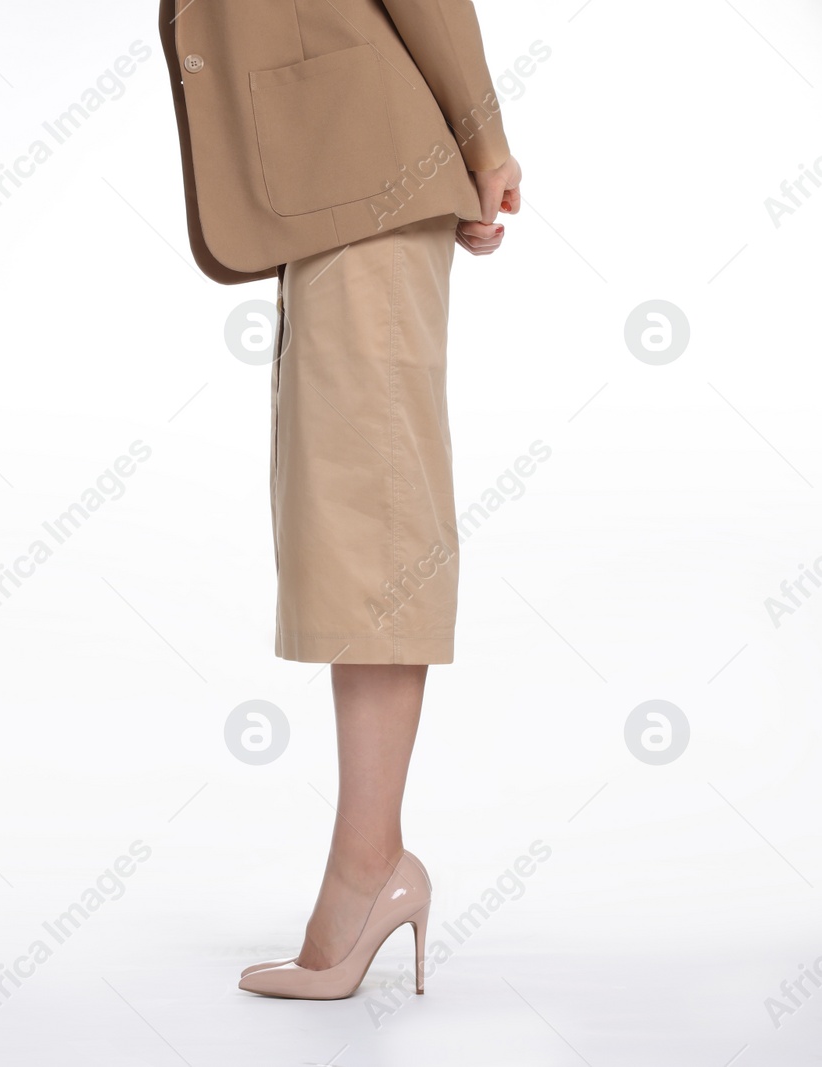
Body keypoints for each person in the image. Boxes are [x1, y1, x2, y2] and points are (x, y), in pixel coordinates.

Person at [158, 0, 523, 999]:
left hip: (366, 167)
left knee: (371, 522)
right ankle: (370, 865)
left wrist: (482, 135)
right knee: (346, 523)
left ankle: (369, 868)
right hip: (336, 176)